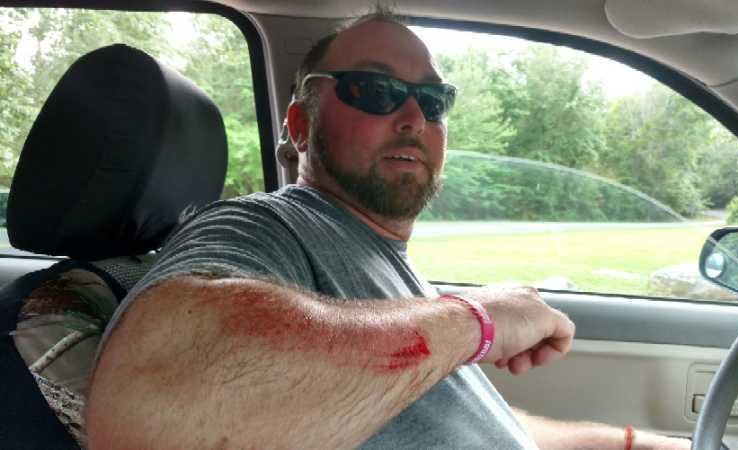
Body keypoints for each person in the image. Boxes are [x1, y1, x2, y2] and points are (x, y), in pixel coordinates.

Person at [86, 9, 692, 450]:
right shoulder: (265, 225)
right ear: (300, 125)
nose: (413, 117)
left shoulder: (379, 258)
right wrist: (477, 320)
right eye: (376, 91)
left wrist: (631, 444)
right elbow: (153, 406)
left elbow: (441, 420)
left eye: (434, 100)